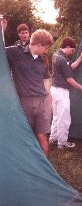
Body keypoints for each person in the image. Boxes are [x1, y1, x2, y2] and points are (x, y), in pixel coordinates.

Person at [4, 25, 53, 157]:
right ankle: (27, 164)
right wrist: (2, 29)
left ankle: (45, 167)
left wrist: (49, 101)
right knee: (26, 135)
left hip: (42, 103)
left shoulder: (44, 59)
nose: (47, 50)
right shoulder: (15, 53)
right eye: (46, 47)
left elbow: (46, 81)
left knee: (42, 135)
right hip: (24, 103)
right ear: (38, 44)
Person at [49, 37, 82, 149]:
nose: (72, 52)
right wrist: (81, 87)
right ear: (68, 47)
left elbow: (70, 67)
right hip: (61, 92)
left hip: (54, 90)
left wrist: (80, 57)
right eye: (72, 50)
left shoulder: (57, 55)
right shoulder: (62, 59)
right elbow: (69, 79)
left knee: (56, 116)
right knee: (64, 118)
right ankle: (62, 143)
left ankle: (53, 138)